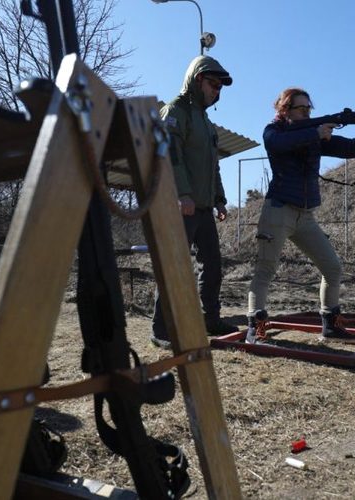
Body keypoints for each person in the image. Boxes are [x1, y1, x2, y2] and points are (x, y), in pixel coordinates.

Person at [245, 87, 355, 343]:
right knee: (265, 269)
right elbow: (276, 143)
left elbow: (351, 148)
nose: (307, 112)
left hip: (305, 215)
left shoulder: (313, 136)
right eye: (302, 108)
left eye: (309, 109)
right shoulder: (274, 131)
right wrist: (315, 132)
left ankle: (331, 325)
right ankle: (256, 326)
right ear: (286, 110)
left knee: (332, 268)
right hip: (278, 210)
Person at [151, 55, 236, 348]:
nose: (217, 91)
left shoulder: (206, 122)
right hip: (180, 204)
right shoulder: (174, 111)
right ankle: (161, 330)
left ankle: (209, 320)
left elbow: (213, 165)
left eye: (220, 88)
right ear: (198, 79)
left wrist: (220, 199)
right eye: (213, 84)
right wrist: (182, 194)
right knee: (174, 265)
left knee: (212, 264)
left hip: (202, 208)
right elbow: (169, 156)